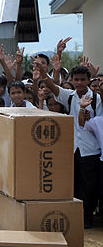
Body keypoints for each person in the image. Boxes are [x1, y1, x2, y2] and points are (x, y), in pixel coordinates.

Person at [36, 58, 102, 228]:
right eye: (76, 79)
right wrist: (43, 72)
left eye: (83, 79)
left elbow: (96, 122)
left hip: (91, 148)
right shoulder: (69, 96)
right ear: (71, 80)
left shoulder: (95, 98)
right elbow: (52, 87)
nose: (79, 83)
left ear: (88, 80)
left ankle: (87, 216)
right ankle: (76, 214)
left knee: (90, 184)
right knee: (74, 184)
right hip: (72, 148)